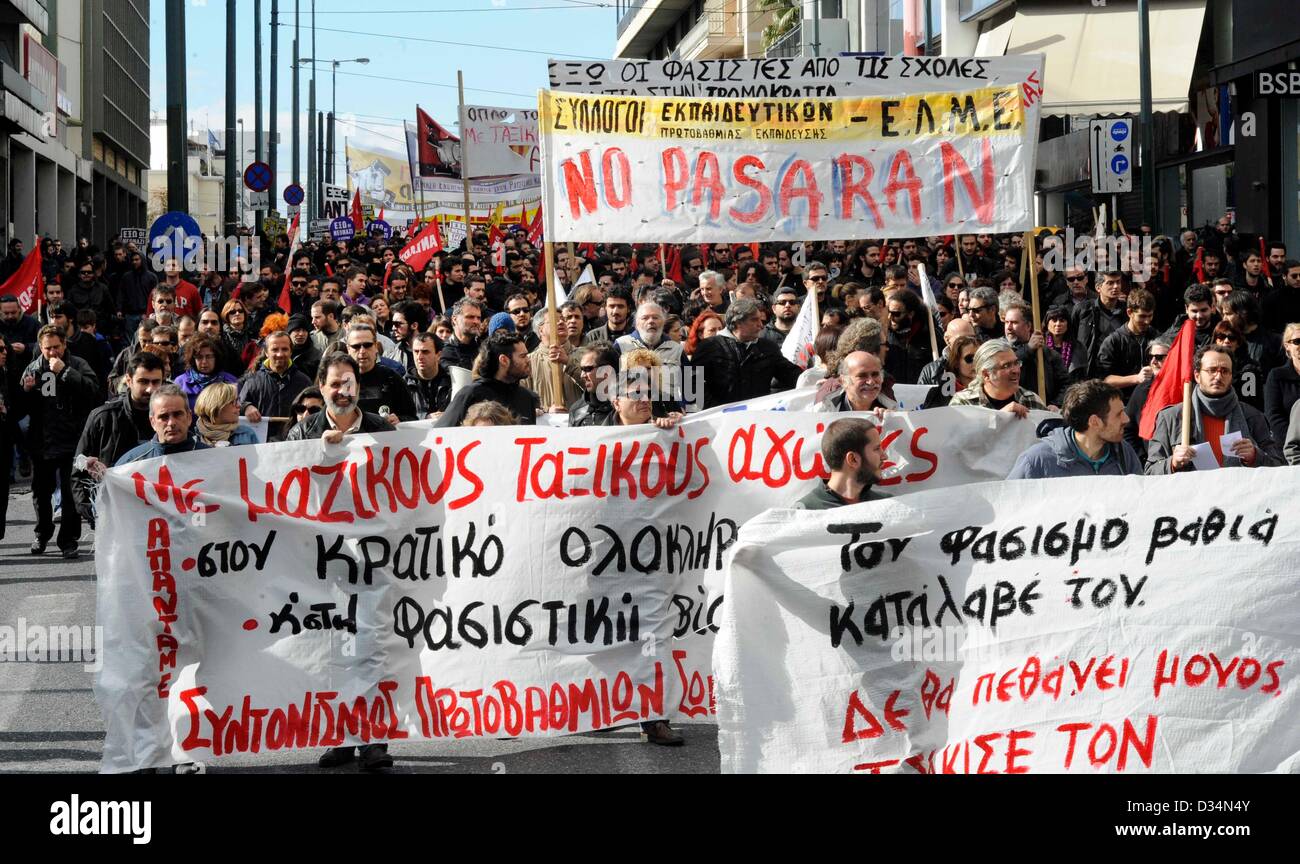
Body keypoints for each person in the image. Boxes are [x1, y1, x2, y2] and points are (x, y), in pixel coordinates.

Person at [20, 325, 102, 558]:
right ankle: (42, 533)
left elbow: (93, 391)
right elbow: (22, 408)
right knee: (40, 492)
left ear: (64, 345)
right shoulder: (34, 368)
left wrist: (66, 371)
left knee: (69, 493)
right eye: (48, 349)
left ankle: (68, 540)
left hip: (72, 440)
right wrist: (25, 391)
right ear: (40, 348)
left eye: (57, 347)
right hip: (43, 441)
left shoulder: (77, 364)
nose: (53, 352)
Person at [1145, 345, 1284, 474]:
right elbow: (1150, 471)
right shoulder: (1171, 417)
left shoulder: (1252, 416)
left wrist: (1255, 457)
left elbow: (1278, 467)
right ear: (1197, 375)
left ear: (1231, 377)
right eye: (1211, 370)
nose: (1218, 376)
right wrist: (1173, 463)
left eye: (1225, 371)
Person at [1006, 381, 1144, 479]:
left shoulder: (1124, 454)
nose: (1126, 419)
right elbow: (1011, 508)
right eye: (1119, 414)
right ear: (1094, 422)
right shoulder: (1036, 461)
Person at [692, 298, 800, 408]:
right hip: (720, 421)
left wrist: (813, 380)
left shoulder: (767, 347)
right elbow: (689, 384)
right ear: (737, 322)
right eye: (754, 320)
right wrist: (713, 409)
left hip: (758, 419)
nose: (761, 325)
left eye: (761, 320)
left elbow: (791, 375)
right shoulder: (708, 347)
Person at [435, 332, 541, 427]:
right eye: (523, 356)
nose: (528, 360)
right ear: (504, 360)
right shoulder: (470, 395)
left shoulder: (527, 398)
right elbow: (441, 435)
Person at [285, 353, 393, 444]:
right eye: (335, 384)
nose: (343, 391)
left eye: (348, 384)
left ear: (358, 387)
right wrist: (317, 449)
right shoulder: (300, 434)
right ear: (322, 387)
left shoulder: (383, 429)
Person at [793, 418, 884, 509]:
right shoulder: (805, 511)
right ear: (852, 459)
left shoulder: (888, 504)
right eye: (876, 449)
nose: (884, 456)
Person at [237, 330, 313, 438]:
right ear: (267, 352)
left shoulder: (304, 381)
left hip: (294, 443)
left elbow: (315, 411)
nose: (280, 354)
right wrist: (246, 407)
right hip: (263, 444)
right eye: (275, 349)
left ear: (291, 351)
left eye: (285, 349)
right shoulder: (252, 381)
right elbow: (237, 405)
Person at [948, 339, 1049, 418]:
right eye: (1006, 366)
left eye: (1016, 363)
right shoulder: (963, 403)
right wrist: (1000, 418)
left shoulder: (1030, 400)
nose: (1016, 370)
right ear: (986, 375)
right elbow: (958, 440)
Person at [115, 383, 212, 464]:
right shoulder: (131, 464)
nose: (171, 422)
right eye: (163, 417)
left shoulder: (212, 459)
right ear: (153, 422)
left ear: (189, 417)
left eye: (177, 414)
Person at [342, 321, 417, 422]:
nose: (362, 351)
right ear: (348, 349)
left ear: (376, 347)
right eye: (356, 346)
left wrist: (399, 419)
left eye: (367, 345)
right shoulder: (341, 380)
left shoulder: (391, 377)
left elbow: (412, 417)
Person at [1097, 287, 1158, 402]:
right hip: (1122, 403)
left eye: (1150, 316)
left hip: (1151, 401)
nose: (1147, 321)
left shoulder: (1155, 336)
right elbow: (1105, 380)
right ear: (1129, 312)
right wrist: (1136, 378)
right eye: (1142, 316)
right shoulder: (1113, 341)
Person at [1002, 302, 1068, 406]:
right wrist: (1028, 349)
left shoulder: (1047, 354)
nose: (1009, 327)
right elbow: (1004, 366)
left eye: (1014, 323)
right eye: (1006, 322)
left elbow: (1066, 384)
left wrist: (1055, 404)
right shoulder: (999, 349)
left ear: (1028, 326)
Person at [1070, 270, 1129, 379]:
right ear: (1098, 288)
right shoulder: (1082, 310)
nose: (1115, 286)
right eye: (1110, 283)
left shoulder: (1127, 311)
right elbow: (1071, 339)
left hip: (1119, 373)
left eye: (1118, 282)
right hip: (1089, 372)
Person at [522, 308, 582, 412]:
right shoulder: (528, 362)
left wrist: (568, 363)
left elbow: (598, 389)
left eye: (563, 319)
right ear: (541, 330)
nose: (561, 322)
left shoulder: (584, 355)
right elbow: (522, 399)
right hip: (546, 426)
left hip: (580, 423)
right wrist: (546, 411)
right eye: (555, 320)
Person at [820, 350, 896, 414]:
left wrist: (891, 422)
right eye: (862, 376)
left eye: (875, 374)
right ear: (843, 381)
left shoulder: (890, 407)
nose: (871, 382)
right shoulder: (826, 410)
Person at [174, 334, 238, 409]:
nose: (204, 361)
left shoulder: (230, 381)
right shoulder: (181, 382)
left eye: (209, 357)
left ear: (217, 358)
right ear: (193, 359)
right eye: (199, 357)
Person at [919, 334, 980, 409]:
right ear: (956, 362)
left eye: (979, 357)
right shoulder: (939, 395)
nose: (976, 363)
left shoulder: (992, 387)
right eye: (969, 358)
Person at [1263, 322, 1300, 441]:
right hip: (1289, 448)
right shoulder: (1277, 376)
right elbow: (1274, 415)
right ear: (1287, 345)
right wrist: (1292, 443)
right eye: (1297, 341)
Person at [193, 382, 260, 447]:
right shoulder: (193, 439)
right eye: (233, 402)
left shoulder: (247, 434)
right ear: (216, 406)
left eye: (238, 400)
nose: (239, 405)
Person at [404, 332, 453, 418]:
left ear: (438, 355)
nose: (419, 357)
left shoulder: (452, 383)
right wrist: (425, 418)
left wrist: (447, 416)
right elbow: (400, 417)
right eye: (416, 352)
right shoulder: (404, 384)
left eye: (425, 352)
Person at [570, 343, 619, 427]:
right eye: (582, 369)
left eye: (588, 369)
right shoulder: (577, 409)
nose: (582, 375)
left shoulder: (630, 406)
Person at [441, 299, 485, 371]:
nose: (476, 321)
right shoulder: (444, 352)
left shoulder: (484, 349)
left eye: (478, 318)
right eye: (470, 317)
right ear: (454, 320)